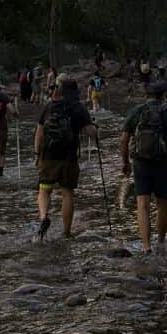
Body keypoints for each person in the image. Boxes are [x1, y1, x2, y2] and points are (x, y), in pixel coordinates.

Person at [119, 79, 167, 254]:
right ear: (164, 95)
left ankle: (146, 247)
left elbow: (124, 140)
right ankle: (161, 242)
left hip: (140, 164)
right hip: (161, 164)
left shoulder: (136, 112)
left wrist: (125, 163)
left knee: (142, 205)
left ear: (146, 94)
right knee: (162, 204)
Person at [35, 77, 97, 241]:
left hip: (48, 156)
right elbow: (90, 133)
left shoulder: (49, 106)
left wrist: (37, 154)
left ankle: (43, 217)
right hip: (69, 158)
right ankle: (66, 232)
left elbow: (39, 133)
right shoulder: (79, 108)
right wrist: (94, 128)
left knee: (44, 190)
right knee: (67, 193)